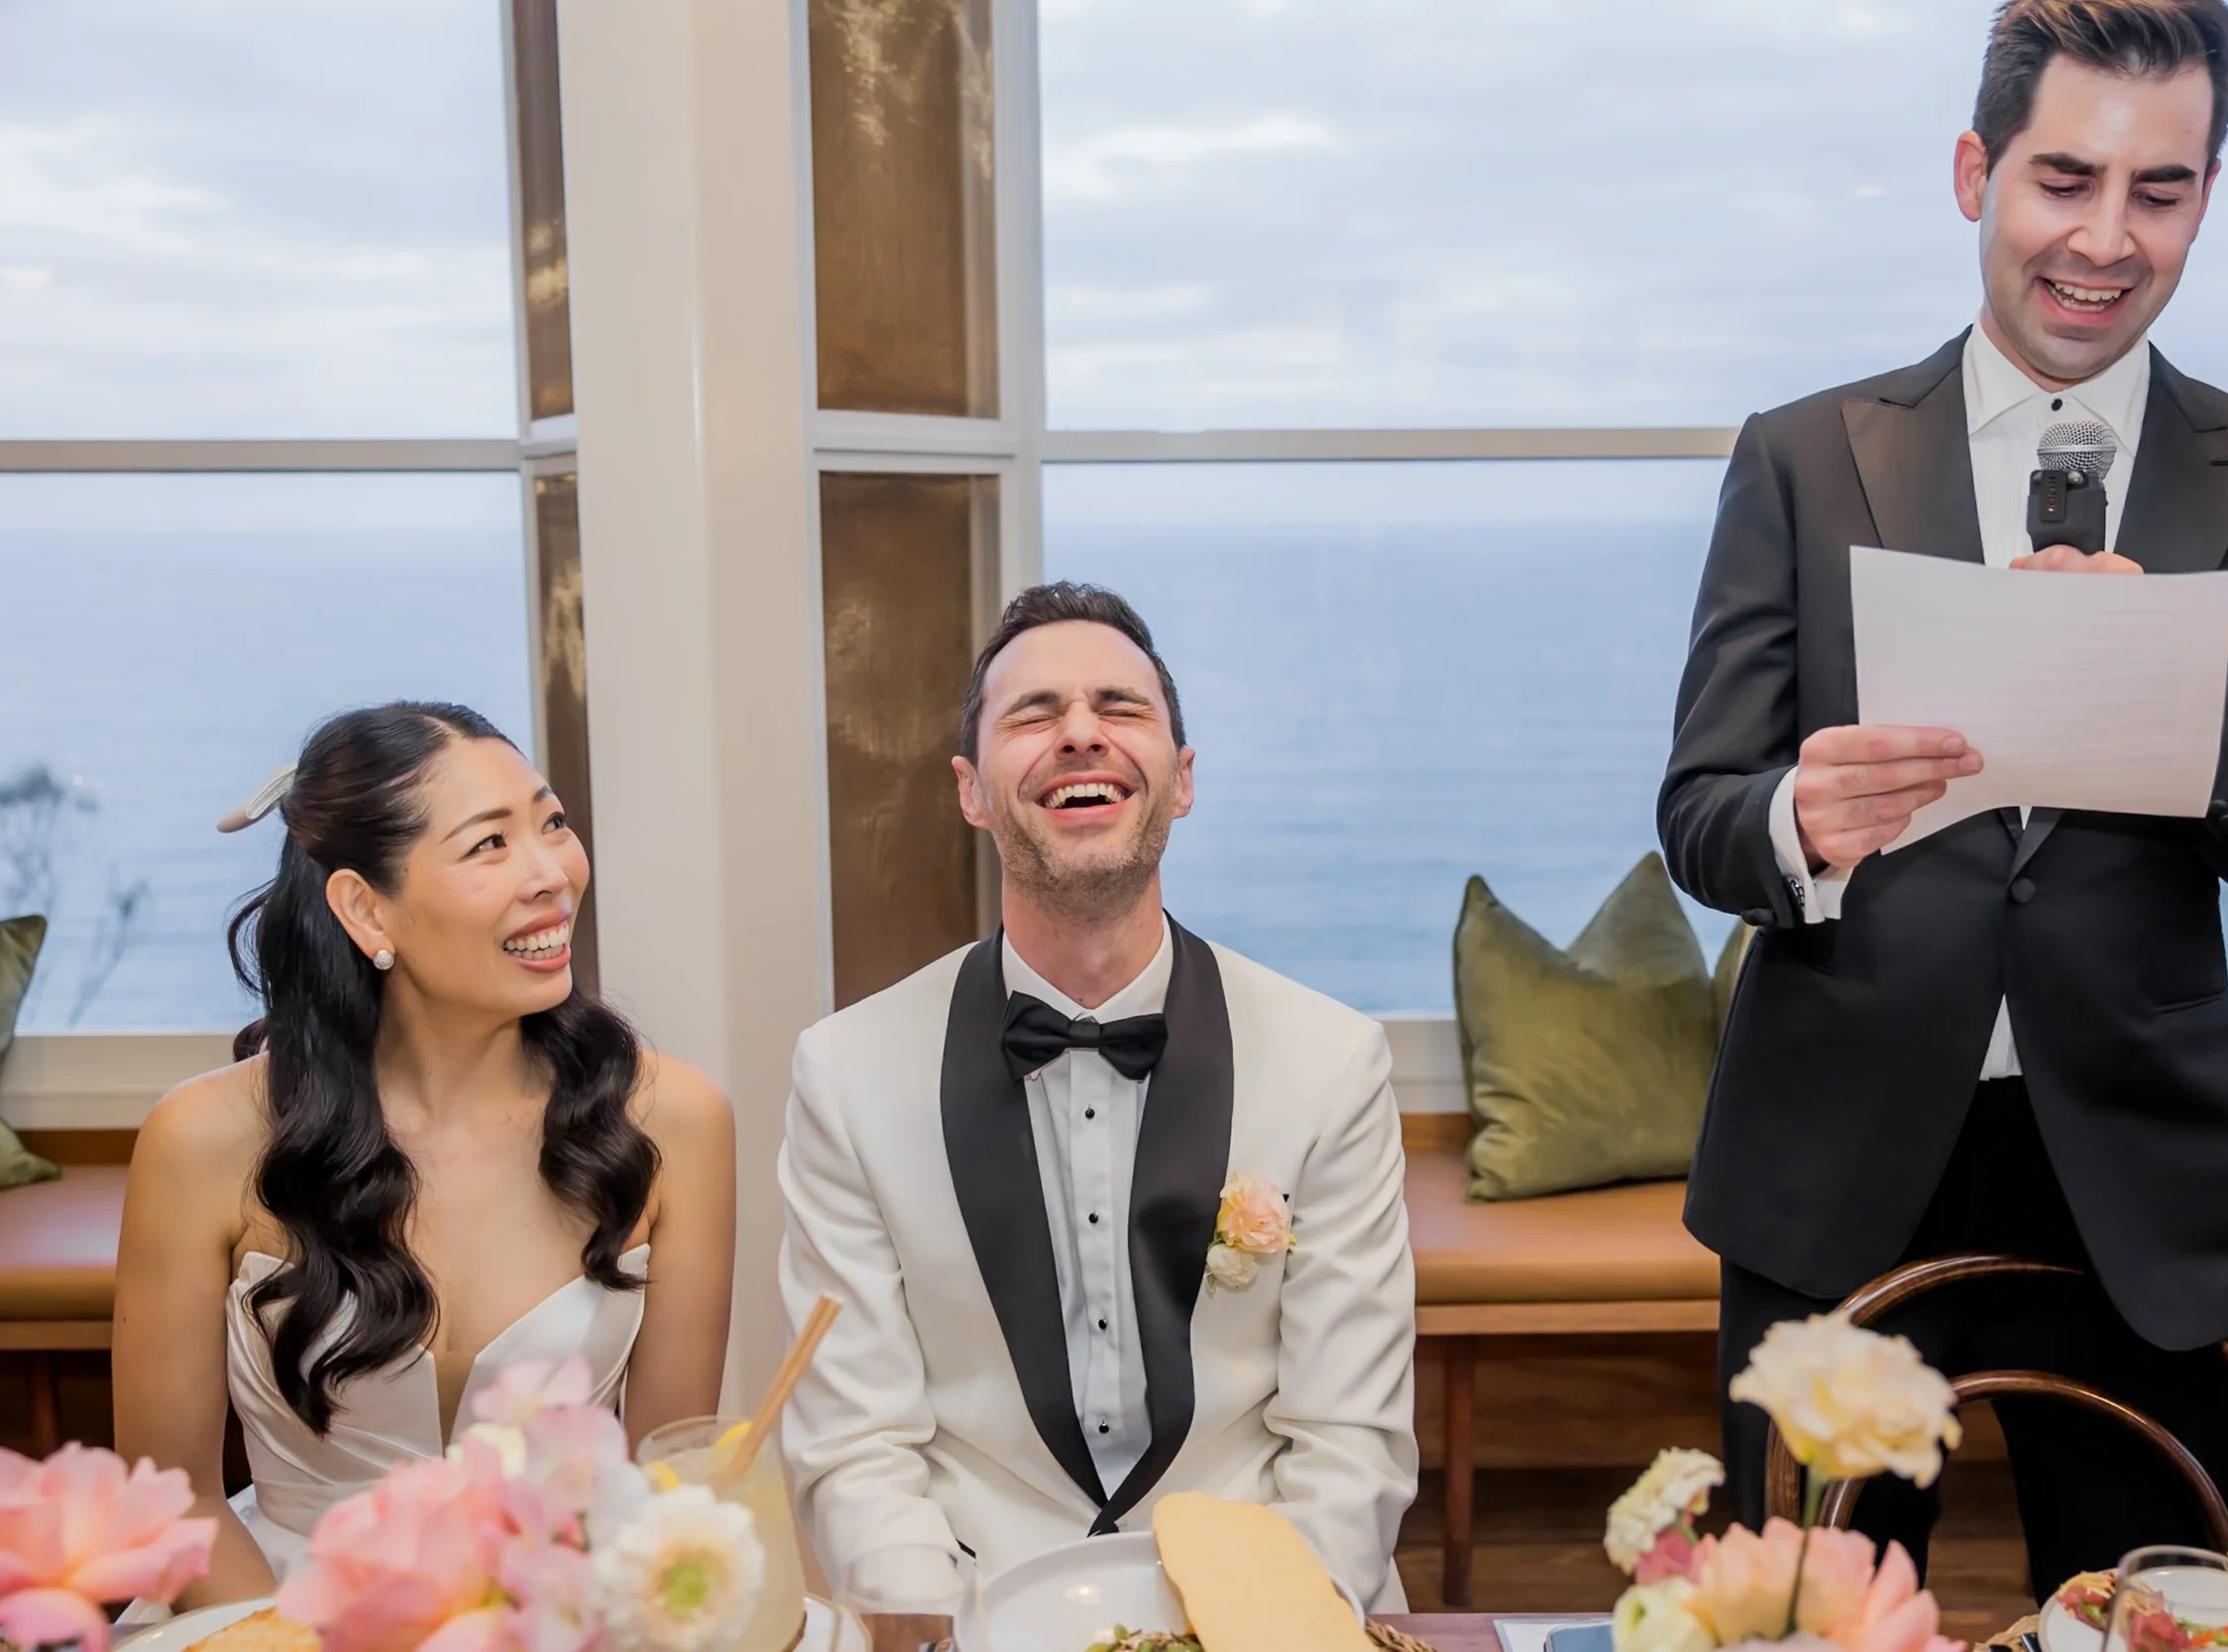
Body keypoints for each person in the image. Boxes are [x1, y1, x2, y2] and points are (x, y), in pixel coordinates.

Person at [1659, 0, 2228, 1593]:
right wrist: (1801, 817)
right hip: (1834, 1174)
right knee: (1803, 1625)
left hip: (2138, 1194)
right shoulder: (1803, 455)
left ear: (2210, 192)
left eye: (2161, 190)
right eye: (2063, 177)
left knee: (2161, 1617)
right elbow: (1701, 813)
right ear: (1972, 172)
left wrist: (2187, 700)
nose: (2104, 238)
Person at [778, 583, 1417, 1610]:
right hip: (977, 1606)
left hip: (1275, 1603)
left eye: (1120, 707)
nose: (1080, 732)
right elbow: (857, 1443)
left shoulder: (1332, 1059)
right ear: (970, 789)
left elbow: (1349, 1438)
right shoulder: (844, 1073)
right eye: (1033, 713)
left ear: (1182, 778)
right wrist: (946, 1632)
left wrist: (1255, 1625)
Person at [114, 703, 737, 1605]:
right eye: (490, 844)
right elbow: (174, 1503)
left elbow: (666, 1483)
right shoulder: (202, 1141)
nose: (552, 874)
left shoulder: (673, 1120)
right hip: (268, 1619)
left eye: (552, 823)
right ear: (366, 906)